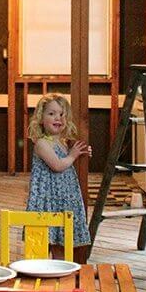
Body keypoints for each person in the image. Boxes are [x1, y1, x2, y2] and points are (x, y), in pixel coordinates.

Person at [26, 94, 91, 263]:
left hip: (61, 200)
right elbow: (57, 165)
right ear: (41, 118)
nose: (58, 118)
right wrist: (73, 155)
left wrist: (81, 153)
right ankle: (39, 278)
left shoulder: (62, 142)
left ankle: (60, 278)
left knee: (60, 246)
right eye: (52, 114)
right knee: (42, 245)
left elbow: (68, 160)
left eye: (62, 114)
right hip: (47, 201)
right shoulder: (42, 144)